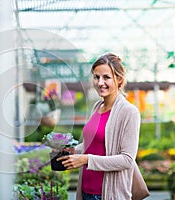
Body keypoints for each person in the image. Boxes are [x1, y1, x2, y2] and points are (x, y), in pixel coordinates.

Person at [57, 53, 142, 199]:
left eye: (106, 77)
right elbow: (92, 145)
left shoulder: (129, 112)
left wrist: (86, 159)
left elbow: (127, 160)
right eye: (96, 77)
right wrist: (71, 151)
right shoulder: (97, 107)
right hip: (86, 190)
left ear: (119, 80)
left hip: (108, 194)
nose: (100, 82)